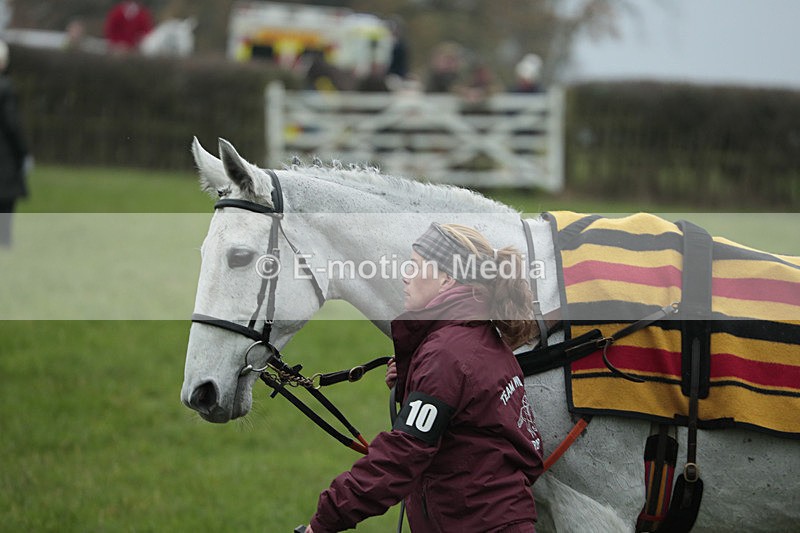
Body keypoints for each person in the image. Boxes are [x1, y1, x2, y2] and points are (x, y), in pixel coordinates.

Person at [306, 222, 545, 532]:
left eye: (416, 267)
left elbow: (401, 456)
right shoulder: (483, 339)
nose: (405, 276)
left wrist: (325, 520)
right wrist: (414, 380)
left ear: (447, 279)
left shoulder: (447, 355)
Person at [0, 41, 30, 248]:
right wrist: (23, 152)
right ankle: (4, 240)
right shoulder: (5, 88)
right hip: (3, 155)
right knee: (5, 198)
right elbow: (12, 125)